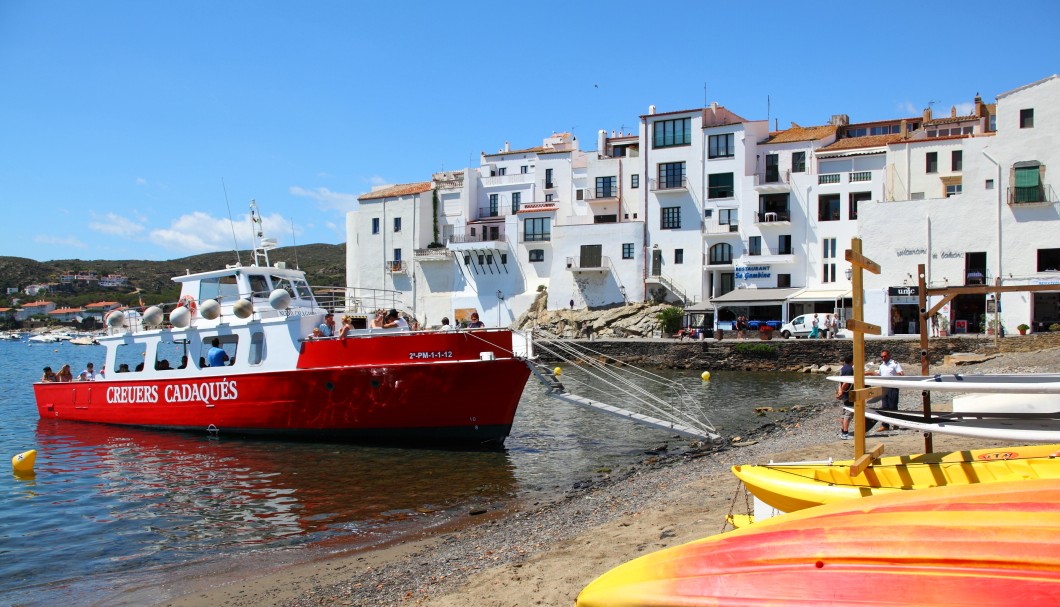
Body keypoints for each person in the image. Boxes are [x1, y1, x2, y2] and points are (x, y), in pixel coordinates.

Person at [873, 349, 904, 431]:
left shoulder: (894, 363)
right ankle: (885, 425)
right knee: (884, 406)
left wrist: (900, 374)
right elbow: (878, 374)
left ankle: (896, 424)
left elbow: (901, 372)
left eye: (884, 356)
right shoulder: (881, 365)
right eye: (882, 356)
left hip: (892, 387)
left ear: (889, 355)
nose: (883, 358)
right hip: (884, 387)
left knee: (893, 406)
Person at [836, 355, 854, 439]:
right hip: (848, 394)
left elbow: (840, 382)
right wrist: (842, 392)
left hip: (844, 394)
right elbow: (846, 382)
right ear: (852, 360)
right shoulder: (850, 369)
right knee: (848, 413)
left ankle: (843, 431)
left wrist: (839, 391)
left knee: (844, 412)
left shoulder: (843, 368)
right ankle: (845, 434)